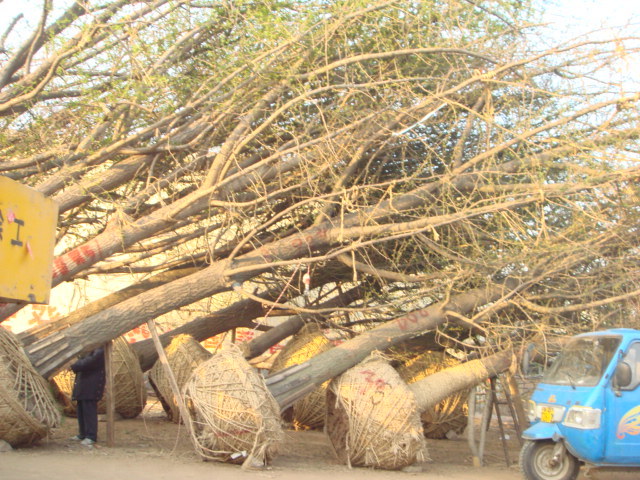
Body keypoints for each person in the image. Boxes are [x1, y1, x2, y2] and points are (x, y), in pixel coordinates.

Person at [70, 347, 105, 446]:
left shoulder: (100, 350)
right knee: (81, 409)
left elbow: (89, 362)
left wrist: (74, 365)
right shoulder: (90, 349)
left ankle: (91, 436)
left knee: (89, 410)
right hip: (84, 383)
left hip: (92, 384)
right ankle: (83, 433)